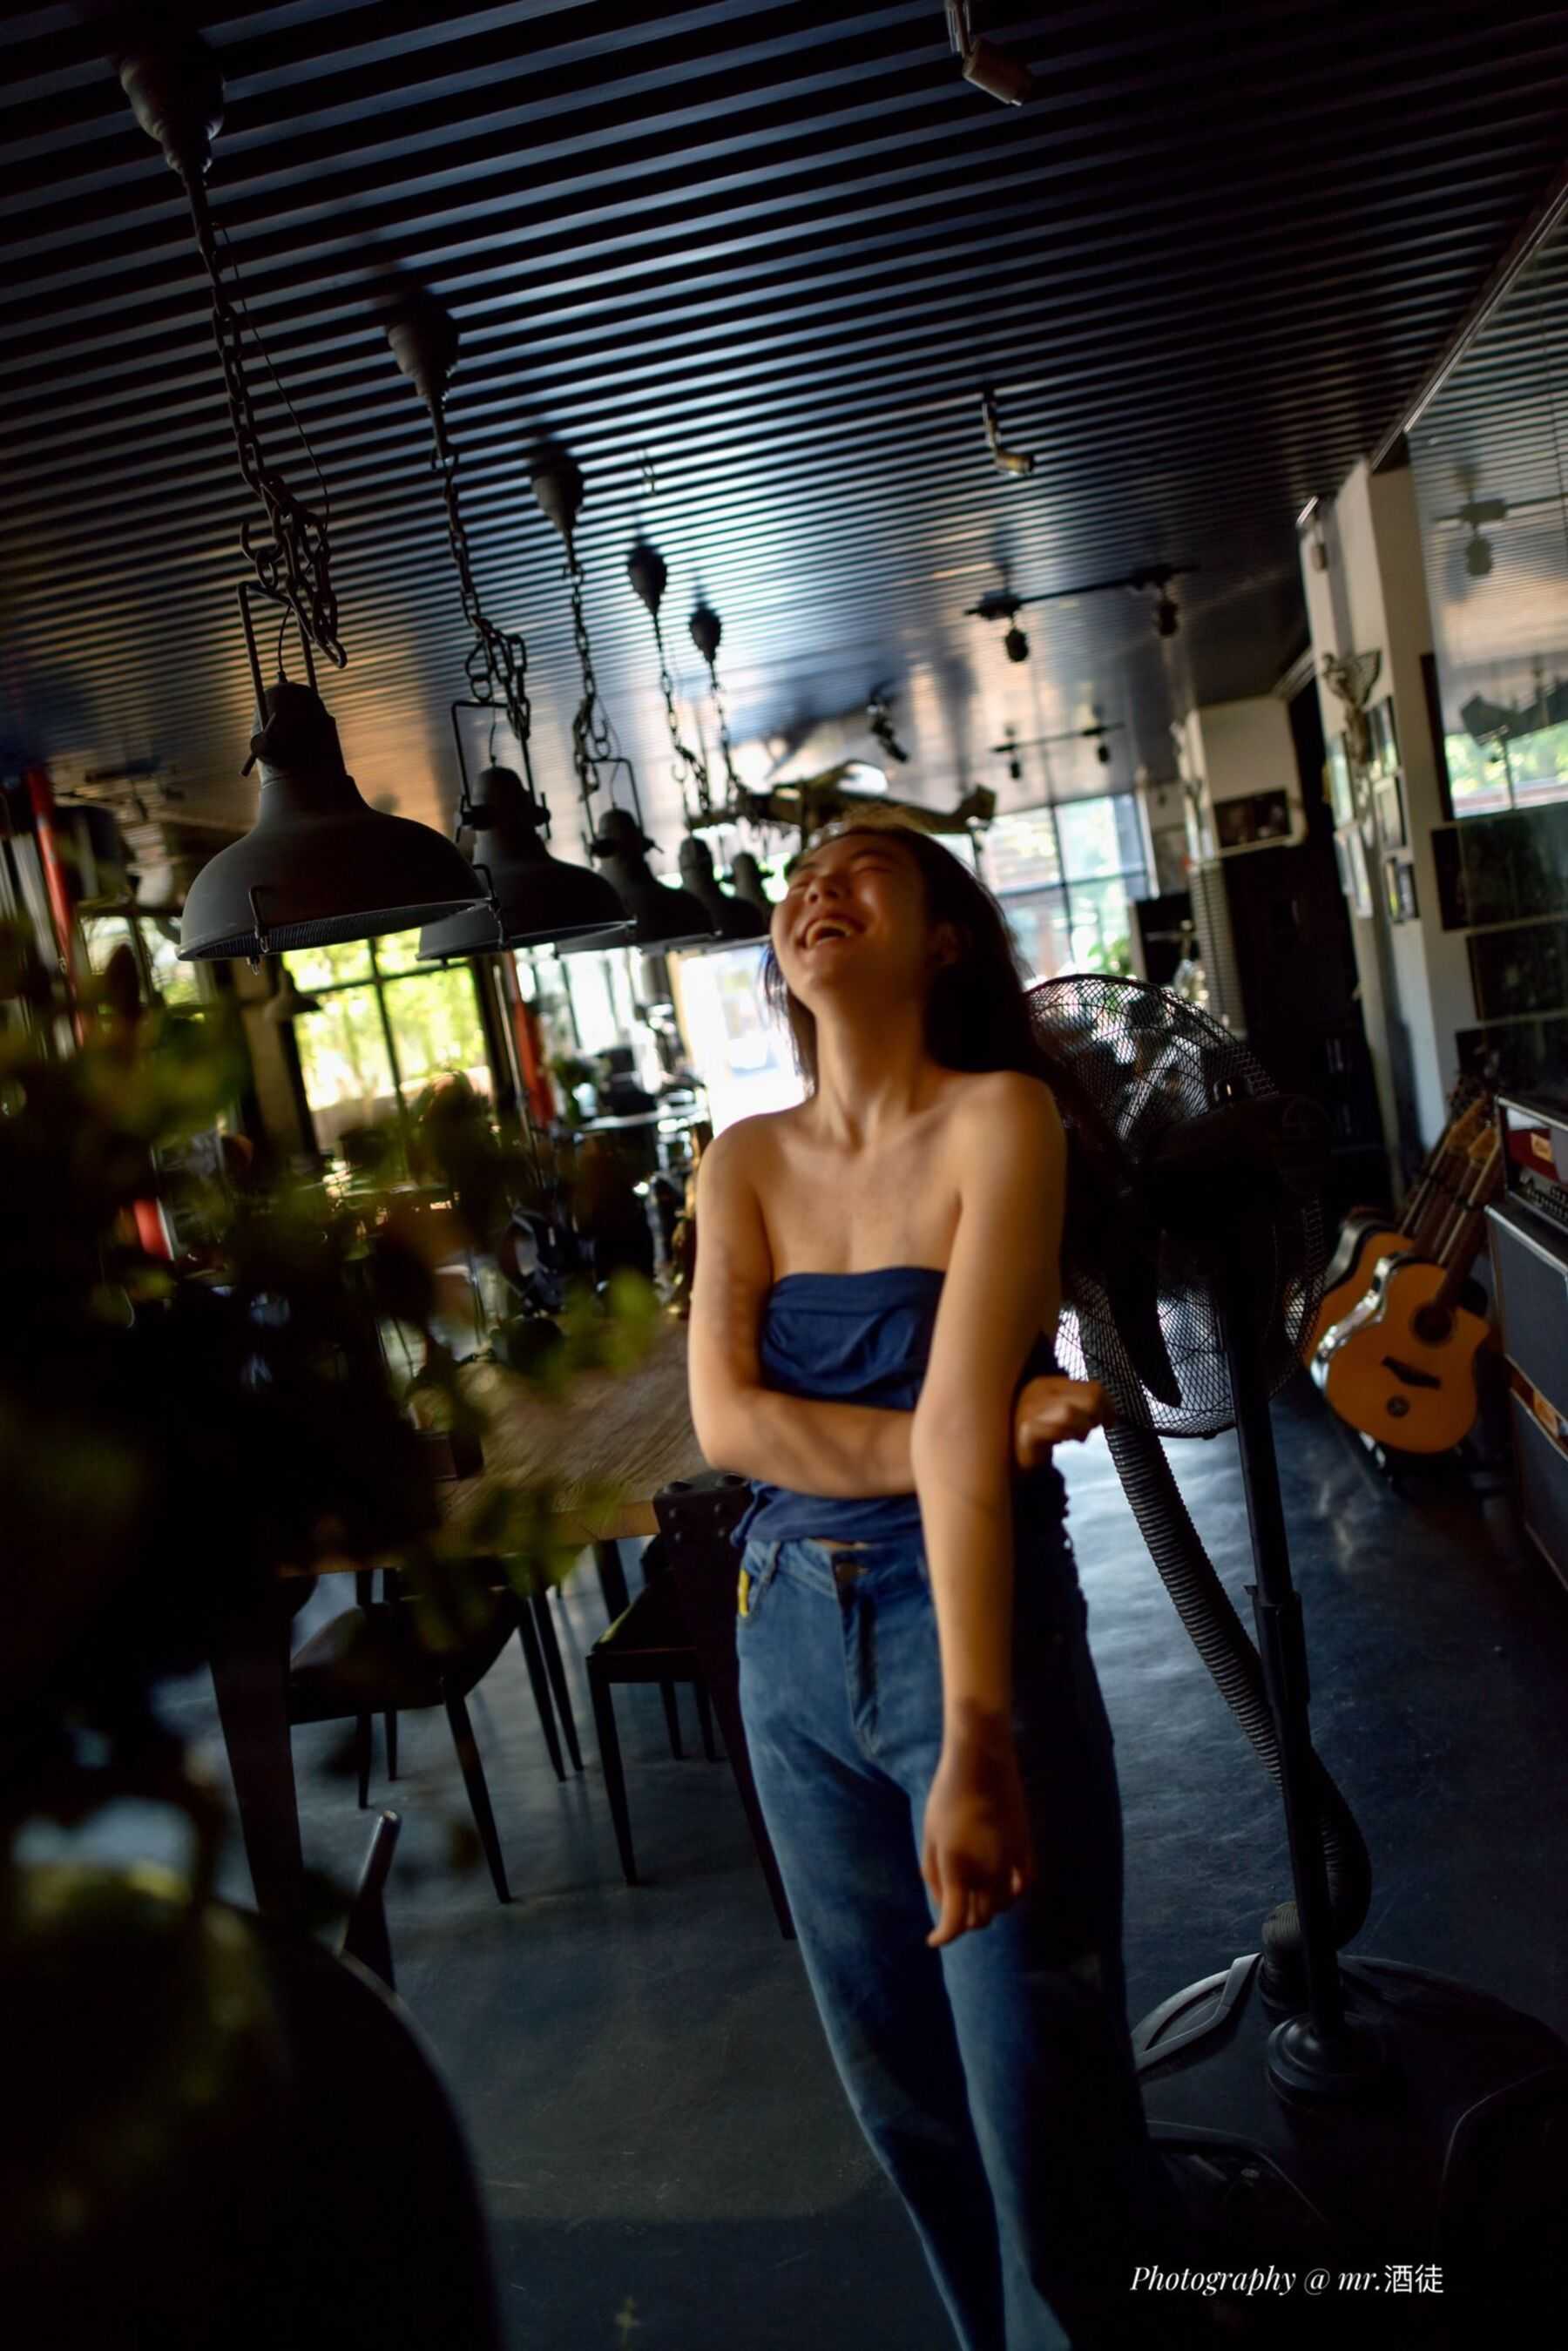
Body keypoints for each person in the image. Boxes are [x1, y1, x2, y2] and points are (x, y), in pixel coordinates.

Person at [686, 812, 1216, 2351]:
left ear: (943, 941)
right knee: (906, 2103)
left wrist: (978, 1740)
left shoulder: (1004, 1121)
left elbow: (888, 1445)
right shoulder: (744, 1160)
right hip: (784, 1634)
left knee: (1044, 2097)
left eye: (860, 867)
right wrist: (972, 1427)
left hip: (970, 1629)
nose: (814, 887)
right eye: (797, 878)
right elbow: (729, 1428)